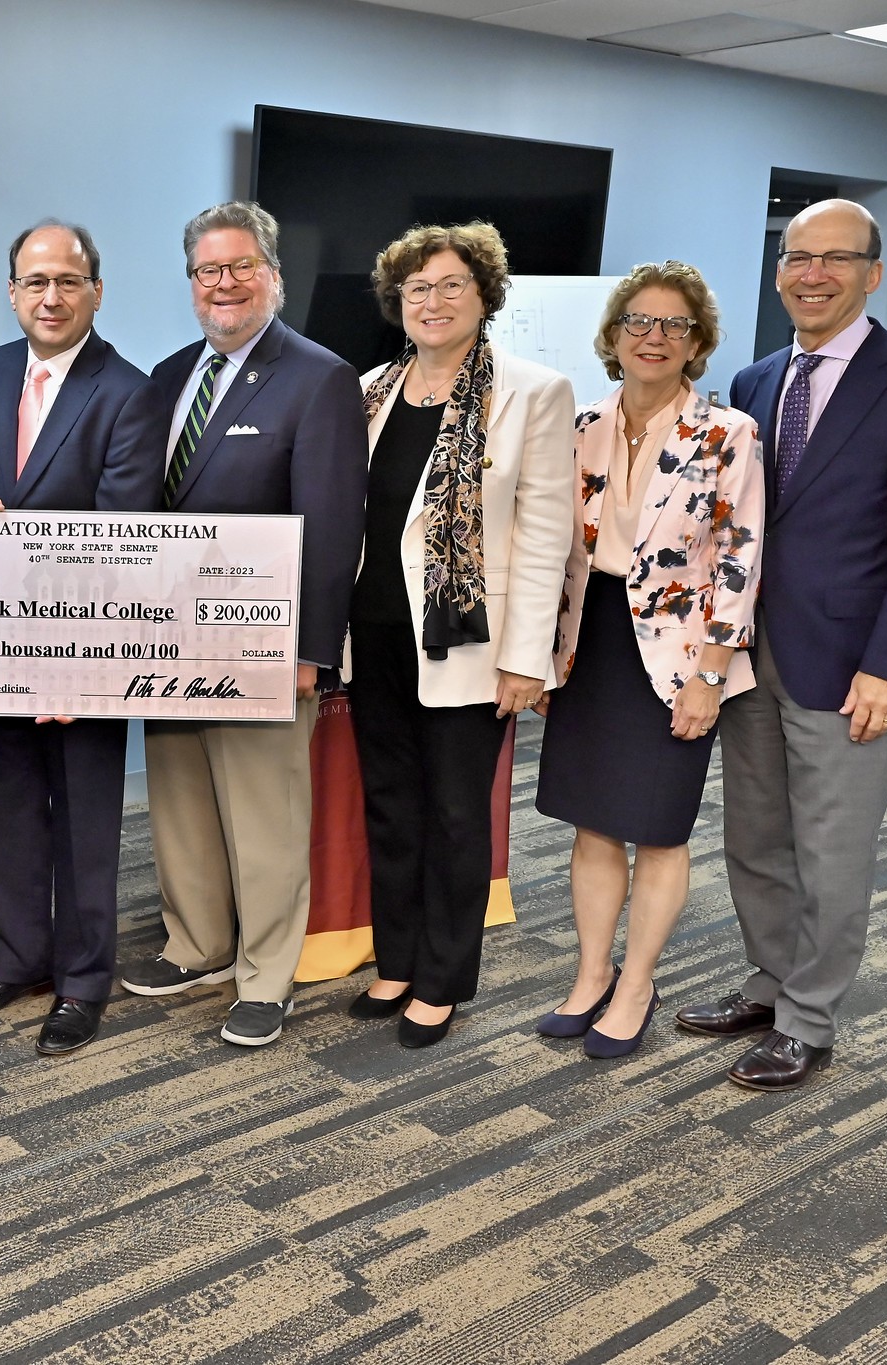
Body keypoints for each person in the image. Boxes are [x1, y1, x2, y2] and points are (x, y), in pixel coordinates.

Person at [677, 199, 887, 1090]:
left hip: (850, 663)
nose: (812, 273)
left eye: (835, 258)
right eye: (797, 257)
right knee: (755, 836)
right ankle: (771, 981)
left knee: (832, 849)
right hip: (748, 650)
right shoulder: (755, 381)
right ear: (777, 274)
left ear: (872, 273)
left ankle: (810, 1017)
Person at [120, 201, 369, 1047]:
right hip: (169, 645)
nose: (222, 284)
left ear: (271, 275)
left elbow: (333, 523)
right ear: (190, 283)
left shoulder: (318, 375)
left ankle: (266, 977)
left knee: (263, 820)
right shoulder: (164, 378)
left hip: (266, 649)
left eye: (239, 268)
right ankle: (197, 943)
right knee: (181, 804)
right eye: (206, 271)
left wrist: (310, 648)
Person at [343, 222, 576, 1049]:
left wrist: (527, 657)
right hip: (371, 635)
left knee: (453, 813)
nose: (431, 302)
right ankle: (398, 959)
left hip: (471, 644)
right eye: (416, 289)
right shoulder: (368, 389)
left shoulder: (531, 392)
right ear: (395, 303)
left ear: (484, 295)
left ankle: (442, 977)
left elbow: (549, 532)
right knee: (391, 806)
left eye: (449, 285)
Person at [0, 220, 167, 1056]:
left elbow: (124, 533)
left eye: (67, 281)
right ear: (12, 291)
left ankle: (80, 979)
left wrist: (71, 666)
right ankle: (15, 958)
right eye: (34, 281)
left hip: (83, 653)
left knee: (81, 819)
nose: (50, 296)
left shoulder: (129, 389)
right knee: (0, 806)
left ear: (95, 292)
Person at [533, 262, 765, 1058]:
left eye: (673, 325)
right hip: (590, 641)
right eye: (639, 321)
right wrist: (542, 656)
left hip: (677, 651)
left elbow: (740, 556)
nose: (654, 336)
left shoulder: (726, 432)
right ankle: (591, 973)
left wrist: (708, 672)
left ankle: (637, 983)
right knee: (594, 823)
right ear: (614, 334)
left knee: (659, 829)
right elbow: (554, 552)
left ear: (696, 342)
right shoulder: (580, 424)